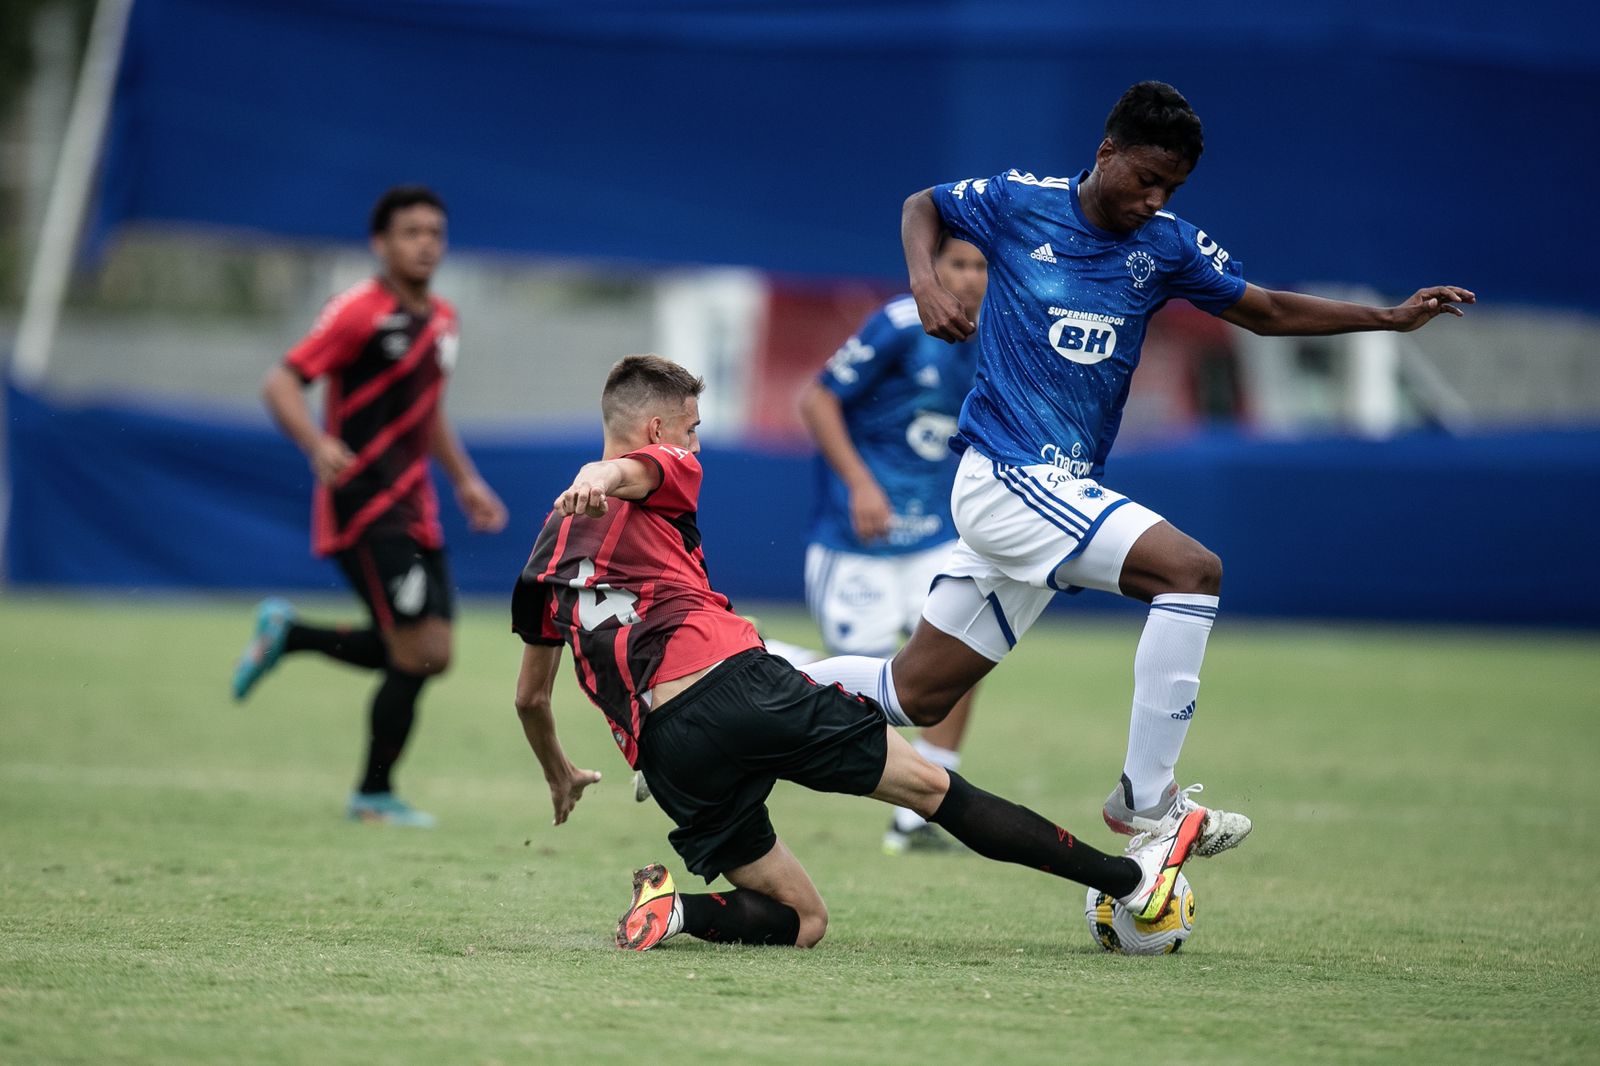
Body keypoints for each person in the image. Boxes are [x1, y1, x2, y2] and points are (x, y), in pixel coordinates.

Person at [800, 80, 1474, 854]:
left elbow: (1264, 310)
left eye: (1171, 187)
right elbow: (924, 203)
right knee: (1191, 571)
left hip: (1046, 492)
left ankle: (730, 690)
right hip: (1009, 476)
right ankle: (1145, 800)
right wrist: (924, 281)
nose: (1154, 199)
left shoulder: (1168, 247)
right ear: (1106, 152)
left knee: (910, 692)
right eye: (1145, 179)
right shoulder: (1021, 203)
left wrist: (1386, 319)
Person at [510, 354, 1206, 951]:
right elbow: (633, 471)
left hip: (667, 756)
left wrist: (560, 772)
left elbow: (531, 697)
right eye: (691, 430)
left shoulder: (541, 563)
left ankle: (676, 910)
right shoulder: (661, 469)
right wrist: (597, 476)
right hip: (738, 691)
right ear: (659, 429)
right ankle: (1131, 882)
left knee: (803, 920)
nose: (695, 445)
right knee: (936, 791)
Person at [231, 184, 508, 827]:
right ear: (380, 244)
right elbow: (281, 381)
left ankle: (291, 635)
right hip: (363, 506)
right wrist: (315, 442)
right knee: (416, 654)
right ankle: (372, 795)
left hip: (416, 506)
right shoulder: (358, 310)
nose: (425, 243)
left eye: (434, 232)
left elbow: (427, 407)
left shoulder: (442, 319)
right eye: (410, 232)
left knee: (433, 653)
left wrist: (465, 480)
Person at [797, 237, 987, 855]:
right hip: (859, 542)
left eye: (982, 265)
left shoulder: (1006, 335)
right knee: (857, 704)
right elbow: (817, 398)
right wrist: (861, 486)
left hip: (937, 533)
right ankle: (758, 666)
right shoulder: (900, 324)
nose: (968, 278)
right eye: (957, 263)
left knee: (961, 657)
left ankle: (918, 816)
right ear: (932, 270)